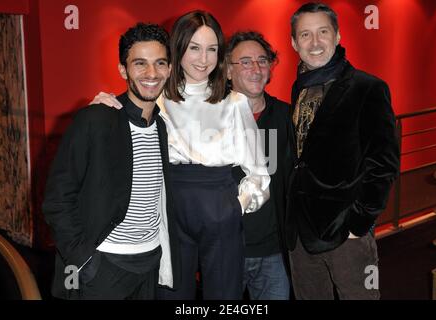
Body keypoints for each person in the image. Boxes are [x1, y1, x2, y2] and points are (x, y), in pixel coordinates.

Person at [90, 11, 270, 300]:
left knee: (224, 296)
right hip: (167, 205)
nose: (203, 59)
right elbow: (122, 119)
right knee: (171, 293)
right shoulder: (157, 96)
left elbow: (259, 173)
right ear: (178, 48)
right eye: (194, 48)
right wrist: (103, 104)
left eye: (212, 49)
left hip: (219, 203)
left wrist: (236, 205)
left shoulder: (235, 101)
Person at [42, 23, 180, 300]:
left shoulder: (162, 126)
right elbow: (57, 199)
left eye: (159, 63)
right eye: (140, 64)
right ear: (123, 70)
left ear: (169, 68)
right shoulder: (95, 119)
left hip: (150, 260)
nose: (151, 73)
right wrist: (84, 259)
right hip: (103, 265)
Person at [285, 2, 400, 300]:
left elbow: (384, 164)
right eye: (305, 34)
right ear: (294, 42)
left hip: (346, 234)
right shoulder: (299, 88)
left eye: (323, 31)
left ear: (337, 36)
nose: (315, 42)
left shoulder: (368, 87)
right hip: (300, 235)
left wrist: (359, 224)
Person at [226, 31, 294, 300]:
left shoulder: (288, 117)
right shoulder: (210, 119)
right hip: (226, 252)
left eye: (262, 60)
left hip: (274, 253)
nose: (255, 68)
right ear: (227, 71)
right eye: (244, 61)